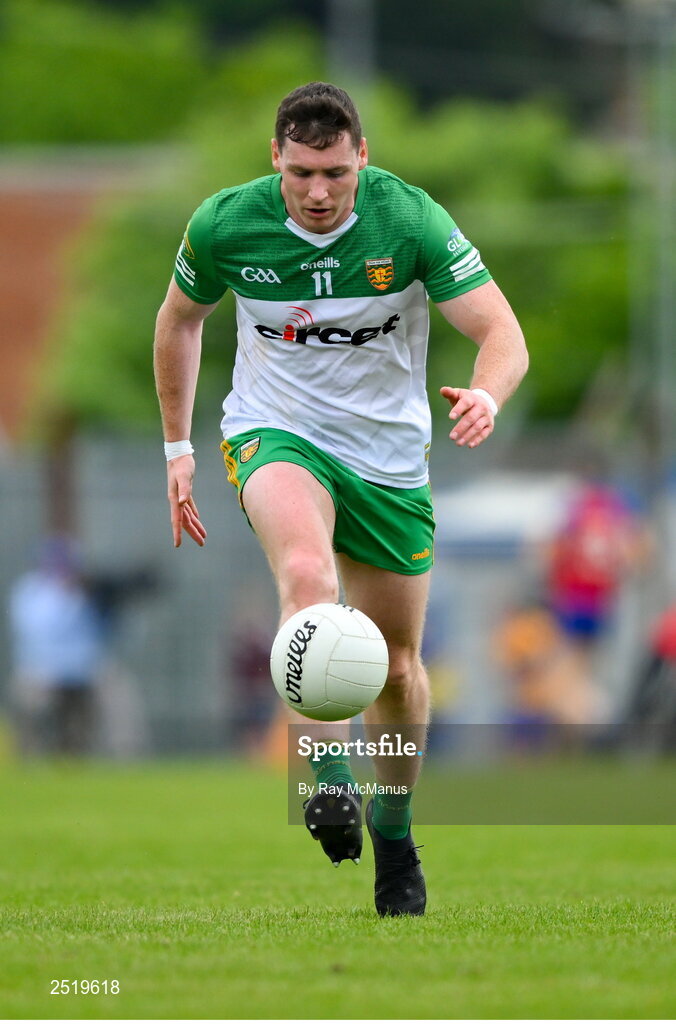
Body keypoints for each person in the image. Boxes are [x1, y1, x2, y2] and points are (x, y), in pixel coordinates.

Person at [154, 82, 528, 916]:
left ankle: (394, 832)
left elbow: (502, 333)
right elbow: (179, 319)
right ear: (274, 163)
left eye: (332, 172)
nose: (318, 192)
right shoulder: (224, 224)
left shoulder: (411, 220)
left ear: (361, 156)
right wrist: (179, 448)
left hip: (389, 459)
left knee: (395, 667)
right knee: (306, 576)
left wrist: (487, 394)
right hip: (274, 432)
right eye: (298, 174)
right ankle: (326, 780)